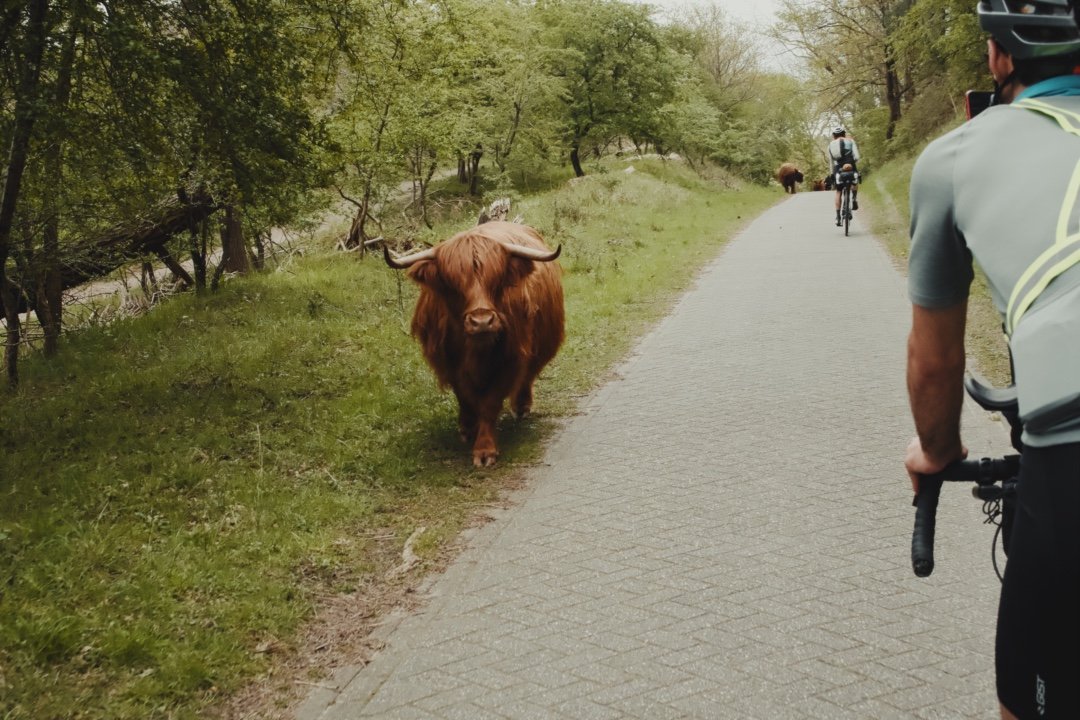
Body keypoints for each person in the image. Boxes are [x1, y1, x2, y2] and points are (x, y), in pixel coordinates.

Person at [905, 1, 1080, 718]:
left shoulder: (954, 157)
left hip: (1067, 426)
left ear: (998, 59)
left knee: (1033, 702)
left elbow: (938, 360)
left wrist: (937, 451)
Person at [828, 127, 860, 226]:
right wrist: (851, 162)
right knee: (855, 180)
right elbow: (857, 157)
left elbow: (831, 162)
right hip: (850, 166)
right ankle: (854, 198)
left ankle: (838, 217)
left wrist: (832, 174)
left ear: (834, 136)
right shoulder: (850, 141)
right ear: (844, 134)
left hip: (838, 168)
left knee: (838, 191)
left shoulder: (831, 145)